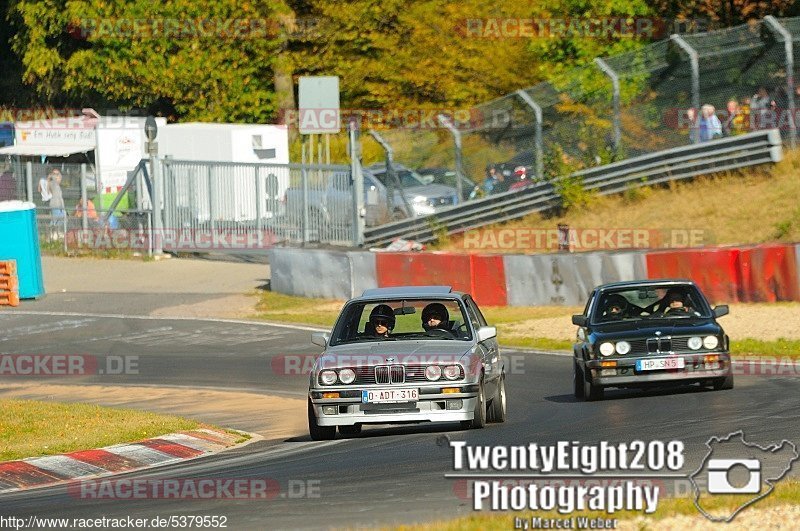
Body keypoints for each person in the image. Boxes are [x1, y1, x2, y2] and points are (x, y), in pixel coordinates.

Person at [47, 168, 66, 238]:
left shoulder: (57, 185)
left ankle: (56, 232)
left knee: (61, 218)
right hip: (55, 205)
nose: (58, 176)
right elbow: (53, 179)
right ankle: (52, 233)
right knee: (55, 220)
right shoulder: (53, 184)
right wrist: (52, 176)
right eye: (56, 174)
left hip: (59, 205)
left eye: (57, 174)